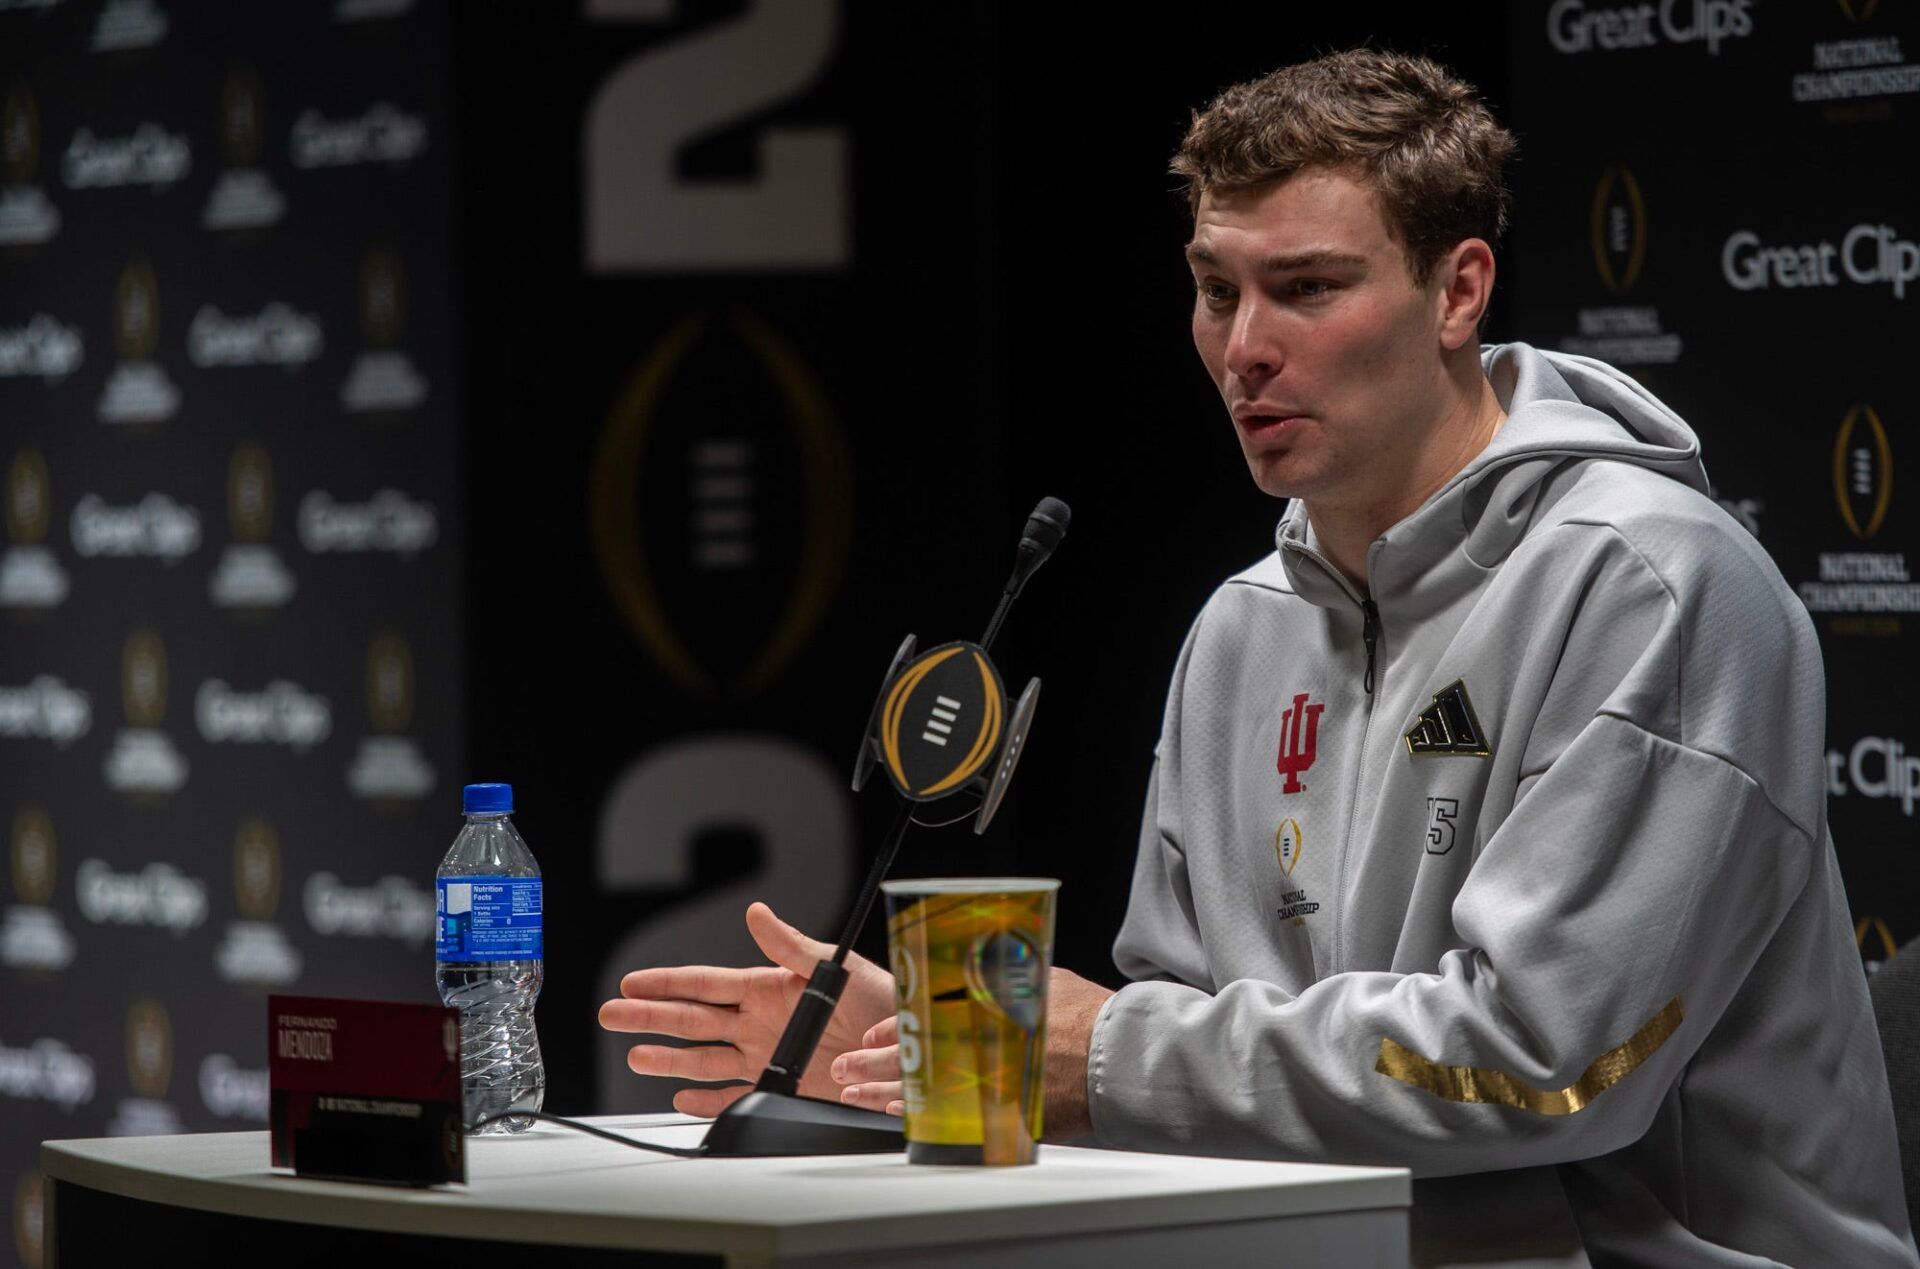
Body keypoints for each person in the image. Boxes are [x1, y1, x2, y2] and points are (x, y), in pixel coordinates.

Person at [601, 49, 1917, 1266]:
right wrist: (933, 1052)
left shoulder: (1655, 586)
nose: (1243, 347)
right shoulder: (1243, 624)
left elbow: (1540, 1059)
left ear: (1459, 289)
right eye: (1216, 288)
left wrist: (1098, 1050)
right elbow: (1189, 1021)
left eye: (1306, 289)